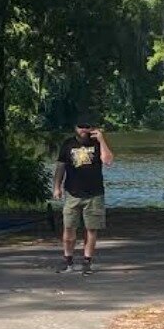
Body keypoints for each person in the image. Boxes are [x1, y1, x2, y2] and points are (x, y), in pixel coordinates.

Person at [52, 114, 114, 274]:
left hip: (94, 193)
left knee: (91, 229)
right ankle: (68, 261)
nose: (84, 130)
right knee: (69, 227)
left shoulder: (97, 143)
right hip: (72, 193)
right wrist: (57, 187)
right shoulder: (68, 144)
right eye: (81, 127)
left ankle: (87, 263)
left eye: (88, 127)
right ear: (75, 128)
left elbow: (108, 161)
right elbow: (60, 167)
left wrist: (102, 140)